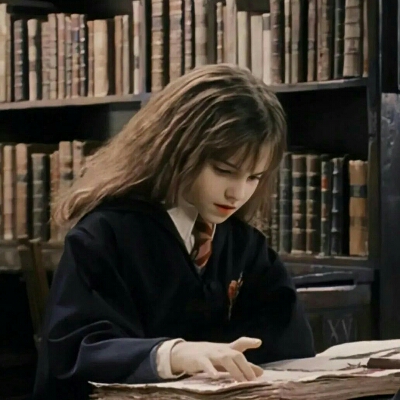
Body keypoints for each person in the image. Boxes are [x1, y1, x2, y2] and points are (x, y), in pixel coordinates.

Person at [32, 63, 315, 400]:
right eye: (224, 171)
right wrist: (174, 355)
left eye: (254, 177)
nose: (237, 193)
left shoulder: (244, 246)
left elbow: (289, 346)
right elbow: (74, 353)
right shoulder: (105, 236)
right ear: (177, 149)